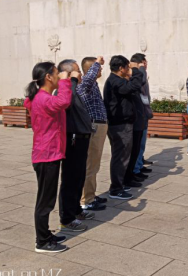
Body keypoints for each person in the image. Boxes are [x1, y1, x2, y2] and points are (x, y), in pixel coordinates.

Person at [24, 62, 73, 254]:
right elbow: (64, 102)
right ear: (48, 77)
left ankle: (45, 235)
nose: (59, 75)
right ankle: (42, 241)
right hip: (46, 155)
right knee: (45, 201)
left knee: (47, 198)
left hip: (48, 154)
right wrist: (66, 82)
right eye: (56, 73)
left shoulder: (40, 97)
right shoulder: (43, 99)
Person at [57, 59, 94, 233]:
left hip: (81, 139)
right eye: (77, 71)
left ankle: (76, 209)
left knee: (79, 177)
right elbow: (67, 101)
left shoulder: (73, 88)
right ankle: (67, 218)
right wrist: (70, 81)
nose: (80, 74)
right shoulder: (63, 90)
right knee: (70, 179)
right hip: (73, 140)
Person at [104, 55, 144, 200]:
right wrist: (136, 70)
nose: (129, 70)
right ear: (121, 68)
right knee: (120, 157)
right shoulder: (115, 81)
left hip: (122, 123)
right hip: (120, 125)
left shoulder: (117, 80)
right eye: (127, 67)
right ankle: (116, 189)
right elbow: (134, 86)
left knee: (123, 156)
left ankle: (120, 183)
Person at [78, 56, 109, 212]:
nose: (101, 69)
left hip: (99, 125)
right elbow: (88, 80)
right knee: (91, 164)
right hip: (94, 126)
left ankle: (91, 194)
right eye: (98, 68)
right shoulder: (85, 84)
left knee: (94, 164)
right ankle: (86, 200)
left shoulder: (93, 84)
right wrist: (97, 63)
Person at [130, 53, 154, 178]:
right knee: (138, 143)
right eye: (145, 63)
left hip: (144, 112)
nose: (146, 65)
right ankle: (135, 168)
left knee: (142, 143)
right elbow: (141, 81)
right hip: (139, 114)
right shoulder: (137, 74)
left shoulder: (140, 73)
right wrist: (141, 69)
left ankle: (139, 165)